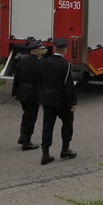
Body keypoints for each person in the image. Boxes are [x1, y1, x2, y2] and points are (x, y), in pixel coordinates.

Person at [37, 37, 77, 165]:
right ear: (65, 50)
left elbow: (39, 80)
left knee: (47, 125)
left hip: (47, 99)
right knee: (67, 122)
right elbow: (69, 85)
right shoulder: (66, 64)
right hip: (61, 99)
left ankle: (45, 153)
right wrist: (73, 102)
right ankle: (65, 148)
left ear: (54, 48)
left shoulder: (43, 63)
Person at [11, 39, 43, 151]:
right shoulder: (39, 64)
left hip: (22, 92)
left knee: (26, 114)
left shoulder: (22, 61)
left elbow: (16, 77)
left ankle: (22, 135)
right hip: (33, 93)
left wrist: (15, 92)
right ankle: (27, 141)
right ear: (36, 50)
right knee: (31, 116)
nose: (42, 51)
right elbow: (41, 80)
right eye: (41, 49)